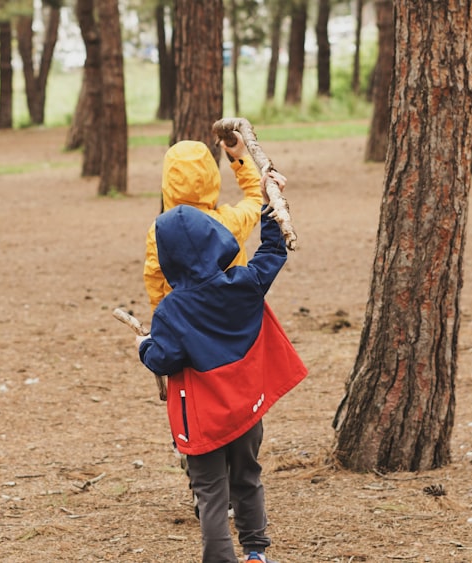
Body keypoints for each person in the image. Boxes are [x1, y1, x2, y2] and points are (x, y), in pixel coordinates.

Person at [135, 184, 308, 563]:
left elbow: (164, 359)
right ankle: (256, 553)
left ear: (168, 258)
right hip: (247, 410)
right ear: (216, 239)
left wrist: (145, 347)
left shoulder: (171, 310)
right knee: (247, 478)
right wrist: (270, 207)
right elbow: (272, 252)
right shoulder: (245, 284)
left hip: (204, 419)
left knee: (211, 494)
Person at [143, 133, 263, 312]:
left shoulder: (159, 230)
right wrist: (240, 158)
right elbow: (257, 197)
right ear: (211, 176)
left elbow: (154, 277)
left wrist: (160, 320)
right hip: (230, 319)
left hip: (182, 322)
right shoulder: (230, 222)